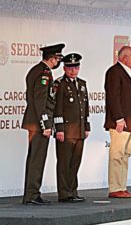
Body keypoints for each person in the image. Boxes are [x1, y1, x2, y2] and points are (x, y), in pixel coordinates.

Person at [21, 43, 65, 205]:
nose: (58, 62)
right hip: (38, 124)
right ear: (53, 58)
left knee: (35, 159)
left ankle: (32, 193)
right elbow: (40, 102)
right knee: (36, 160)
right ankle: (32, 195)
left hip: (35, 122)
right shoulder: (43, 74)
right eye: (58, 58)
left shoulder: (37, 70)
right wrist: (45, 124)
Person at [104, 46, 131, 198]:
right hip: (121, 121)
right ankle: (115, 188)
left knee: (125, 155)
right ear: (124, 57)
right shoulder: (114, 72)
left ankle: (122, 186)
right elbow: (113, 97)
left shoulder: (129, 73)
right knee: (117, 154)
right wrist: (119, 118)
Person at [53, 53, 90, 203]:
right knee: (64, 163)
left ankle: (73, 191)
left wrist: (86, 126)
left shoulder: (82, 83)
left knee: (75, 162)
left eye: (76, 67)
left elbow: (85, 107)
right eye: (70, 67)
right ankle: (64, 193)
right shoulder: (60, 84)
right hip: (66, 131)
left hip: (79, 130)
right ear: (64, 68)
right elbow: (57, 108)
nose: (73, 70)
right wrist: (59, 129)